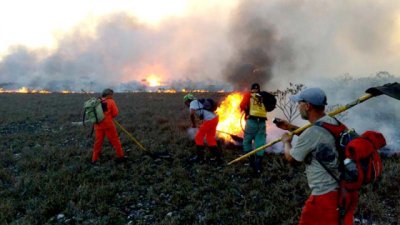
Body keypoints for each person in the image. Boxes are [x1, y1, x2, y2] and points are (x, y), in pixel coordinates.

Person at [277, 87, 358, 225]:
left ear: (307, 106)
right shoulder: (333, 122)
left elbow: (292, 159)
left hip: (324, 198)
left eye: (299, 103)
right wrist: (290, 127)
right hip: (344, 192)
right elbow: (316, 138)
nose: (298, 106)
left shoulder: (314, 132)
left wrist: (286, 142)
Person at [239, 83, 271, 174]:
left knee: (247, 141)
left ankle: (252, 162)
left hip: (251, 122)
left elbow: (241, 106)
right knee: (260, 142)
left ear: (251, 89)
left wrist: (245, 110)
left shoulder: (248, 95)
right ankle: (258, 165)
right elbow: (268, 108)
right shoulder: (263, 96)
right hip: (262, 123)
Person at [183, 93, 222, 164]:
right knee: (210, 138)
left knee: (198, 137)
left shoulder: (192, 103)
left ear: (188, 101)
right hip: (214, 119)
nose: (186, 104)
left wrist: (194, 124)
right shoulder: (198, 102)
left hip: (210, 120)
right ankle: (218, 158)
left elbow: (191, 114)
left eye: (185, 102)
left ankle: (200, 158)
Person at [92, 88, 126, 164]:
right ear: (109, 94)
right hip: (108, 125)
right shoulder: (111, 101)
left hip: (97, 125)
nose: (112, 96)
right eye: (112, 94)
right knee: (115, 140)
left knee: (98, 142)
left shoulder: (97, 101)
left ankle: (94, 159)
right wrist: (109, 116)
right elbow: (115, 113)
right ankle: (120, 156)